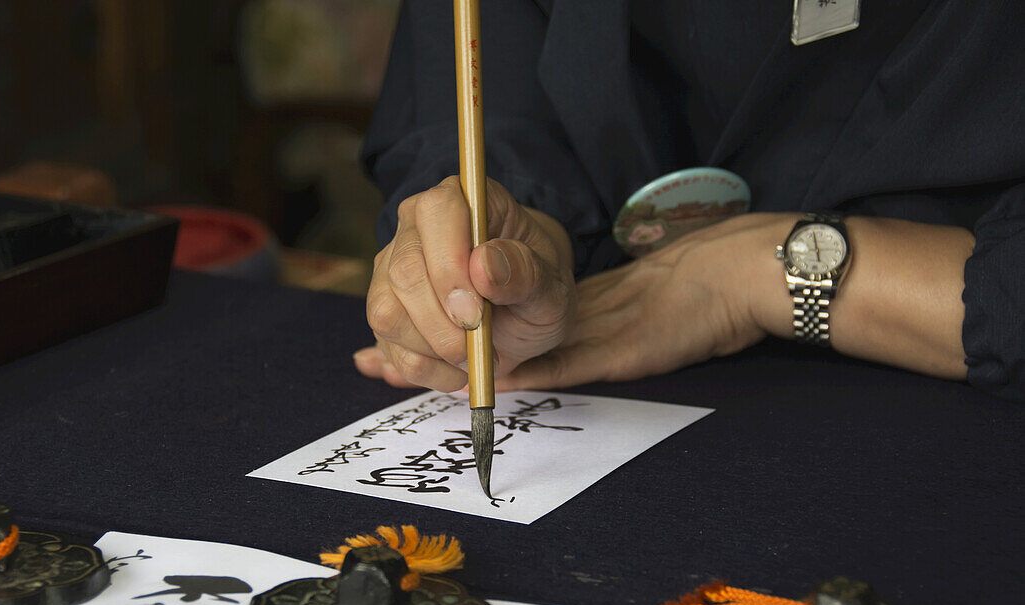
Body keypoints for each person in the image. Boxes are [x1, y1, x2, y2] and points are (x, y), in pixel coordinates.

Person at [352, 0, 1025, 401]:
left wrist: (758, 273)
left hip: (958, 416)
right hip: (614, 375)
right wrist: (520, 232)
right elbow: (487, 73)